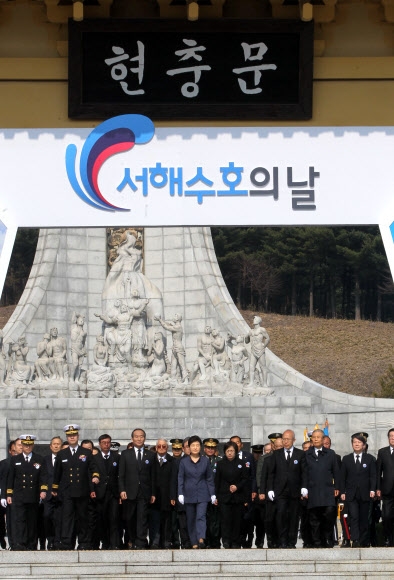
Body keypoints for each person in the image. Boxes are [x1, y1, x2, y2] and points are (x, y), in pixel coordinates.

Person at [51, 424, 99, 550]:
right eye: (69, 436)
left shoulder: (86, 452)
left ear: (78, 436)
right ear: (66, 437)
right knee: (67, 518)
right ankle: (66, 542)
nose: (72, 437)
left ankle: (84, 542)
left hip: (82, 490)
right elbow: (57, 473)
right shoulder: (62, 454)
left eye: (74, 435)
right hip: (67, 491)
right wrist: (55, 489)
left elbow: (93, 467)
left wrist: (95, 476)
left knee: (83, 517)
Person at [267, 429, 307, 548]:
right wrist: (270, 489)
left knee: (294, 517)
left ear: (293, 440)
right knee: (281, 514)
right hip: (280, 491)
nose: (285, 441)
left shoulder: (300, 454)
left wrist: (304, 487)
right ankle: (282, 540)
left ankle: (291, 541)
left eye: (288, 439)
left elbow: (304, 472)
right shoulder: (277, 454)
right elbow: (271, 473)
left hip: (295, 491)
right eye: (283, 439)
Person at [6, 434, 47, 550]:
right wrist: (9, 494)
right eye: (25, 445)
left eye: (29, 445)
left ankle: (31, 544)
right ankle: (20, 543)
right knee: (20, 520)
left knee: (32, 520)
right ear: (22, 445)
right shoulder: (15, 459)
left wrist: (43, 490)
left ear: (32, 445)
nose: (27, 447)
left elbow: (43, 477)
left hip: (33, 495)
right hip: (19, 495)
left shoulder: (39, 459)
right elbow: (11, 478)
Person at [119, 428, 156, 549]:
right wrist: (122, 490)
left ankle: (141, 542)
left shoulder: (150, 455)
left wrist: (153, 493)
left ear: (144, 438)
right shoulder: (125, 454)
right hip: (129, 492)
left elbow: (153, 476)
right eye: (136, 436)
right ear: (132, 439)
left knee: (142, 518)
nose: (139, 439)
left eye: (141, 436)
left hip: (144, 492)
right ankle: (132, 539)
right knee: (130, 518)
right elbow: (121, 474)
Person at [177, 435, 216, 549]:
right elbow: (180, 478)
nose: (195, 447)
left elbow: (209, 478)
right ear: (188, 447)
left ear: (201, 447)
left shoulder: (205, 461)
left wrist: (212, 493)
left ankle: (201, 539)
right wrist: (180, 493)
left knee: (201, 516)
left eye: (197, 445)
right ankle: (194, 542)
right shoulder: (184, 462)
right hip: (188, 493)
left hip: (203, 493)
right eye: (193, 445)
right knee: (191, 518)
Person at [304, 429, 340, 548]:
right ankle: (317, 542)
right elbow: (304, 473)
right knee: (314, 518)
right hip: (313, 491)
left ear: (323, 439)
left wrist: (337, 487)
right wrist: (304, 488)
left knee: (329, 515)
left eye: (318, 437)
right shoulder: (307, 454)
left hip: (327, 491)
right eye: (313, 437)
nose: (315, 439)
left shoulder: (330, 454)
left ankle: (327, 538)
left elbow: (336, 472)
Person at [340, 433, 376, 548]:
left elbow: (373, 476)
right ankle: (355, 540)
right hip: (351, 494)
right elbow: (342, 478)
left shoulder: (370, 459)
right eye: (354, 442)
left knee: (364, 518)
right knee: (354, 516)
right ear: (352, 444)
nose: (356, 444)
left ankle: (364, 540)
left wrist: (372, 489)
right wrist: (342, 492)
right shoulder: (346, 459)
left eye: (359, 442)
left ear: (364, 445)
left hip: (365, 493)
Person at [215, 441, 248, 548]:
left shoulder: (241, 463)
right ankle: (226, 540)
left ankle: (235, 541)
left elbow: (245, 479)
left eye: (232, 451)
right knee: (225, 520)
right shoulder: (220, 464)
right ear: (225, 452)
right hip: (225, 496)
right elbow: (217, 481)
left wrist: (237, 486)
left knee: (237, 520)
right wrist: (216, 496)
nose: (230, 453)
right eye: (228, 451)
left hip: (238, 496)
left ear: (236, 452)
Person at [91, 433, 120, 550]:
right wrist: (92, 490)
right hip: (100, 493)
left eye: (108, 443)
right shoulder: (94, 458)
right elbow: (90, 475)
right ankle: (104, 542)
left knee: (113, 519)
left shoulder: (117, 457)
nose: (106, 445)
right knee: (101, 519)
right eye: (104, 443)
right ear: (100, 444)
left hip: (113, 493)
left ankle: (114, 544)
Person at [230, 435, 256, 548]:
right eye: (233, 443)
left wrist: (254, 490)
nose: (235, 445)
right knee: (237, 518)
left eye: (237, 443)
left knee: (248, 518)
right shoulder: (228, 457)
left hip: (248, 492)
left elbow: (253, 475)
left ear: (241, 444)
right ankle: (238, 540)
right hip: (235, 494)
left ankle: (248, 539)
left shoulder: (248, 456)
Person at [150, 439, 173, 549]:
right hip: (154, 495)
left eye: (164, 446)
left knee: (167, 520)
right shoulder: (150, 460)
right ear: (156, 447)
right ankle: (155, 540)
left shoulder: (172, 461)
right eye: (159, 446)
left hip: (167, 495)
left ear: (167, 448)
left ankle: (166, 541)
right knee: (154, 519)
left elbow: (174, 480)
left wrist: (173, 496)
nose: (161, 448)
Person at [170, 438, 191, 550]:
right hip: (182, 496)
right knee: (182, 522)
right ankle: (185, 542)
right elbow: (174, 480)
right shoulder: (178, 462)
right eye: (187, 446)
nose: (189, 448)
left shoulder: (200, 460)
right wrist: (173, 496)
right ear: (183, 448)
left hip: (196, 497)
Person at [155, 314, 188, 383]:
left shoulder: (178, 327)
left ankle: (186, 380)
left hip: (179, 347)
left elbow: (167, 327)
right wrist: (161, 320)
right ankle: (173, 379)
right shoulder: (175, 326)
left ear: (178, 319)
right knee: (173, 364)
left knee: (182, 364)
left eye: (175, 316)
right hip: (174, 348)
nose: (173, 317)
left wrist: (160, 320)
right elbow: (168, 325)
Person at [42, 436, 62, 550]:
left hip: (61, 494)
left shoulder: (64, 458)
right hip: (48, 494)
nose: (56, 446)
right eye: (54, 444)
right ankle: (50, 540)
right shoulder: (45, 459)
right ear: (50, 446)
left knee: (59, 519)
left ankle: (58, 541)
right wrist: (44, 490)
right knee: (47, 517)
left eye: (58, 444)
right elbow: (43, 476)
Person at [376, 428, 394, 546]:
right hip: (387, 491)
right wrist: (377, 488)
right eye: (391, 436)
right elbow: (378, 472)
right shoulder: (382, 452)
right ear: (388, 438)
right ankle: (387, 537)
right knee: (386, 516)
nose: (393, 438)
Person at [203, 438, 221, 549]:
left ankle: (216, 541)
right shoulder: (200, 460)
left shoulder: (220, 461)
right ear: (204, 449)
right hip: (203, 495)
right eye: (208, 447)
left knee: (216, 520)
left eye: (212, 447)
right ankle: (206, 540)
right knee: (205, 519)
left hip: (216, 495)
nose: (210, 449)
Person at [246, 316, 270, 387]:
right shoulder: (251, 331)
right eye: (253, 319)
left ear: (259, 321)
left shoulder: (262, 329)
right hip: (253, 350)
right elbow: (246, 341)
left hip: (260, 350)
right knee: (251, 367)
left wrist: (264, 346)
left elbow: (267, 338)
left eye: (255, 319)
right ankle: (251, 382)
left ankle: (265, 383)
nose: (254, 320)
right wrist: (247, 336)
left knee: (263, 367)